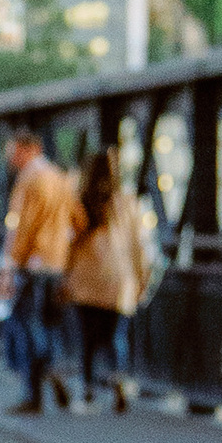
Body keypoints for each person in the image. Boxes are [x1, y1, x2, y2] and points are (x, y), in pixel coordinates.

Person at [64, 146, 152, 407]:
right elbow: (139, 246)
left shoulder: (79, 200)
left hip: (85, 278)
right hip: (119, 278)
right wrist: (142, 279)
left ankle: (88, 386)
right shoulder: (128, 202)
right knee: (117, 336)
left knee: (87, 337)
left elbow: (69, 243)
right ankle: (118, 380)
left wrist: (65, 276)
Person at [0, 127, 79, 413]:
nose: (8, 157)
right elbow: (78, 220)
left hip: (33, 263)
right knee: (49, 322)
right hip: (56, 263)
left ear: (26, 149)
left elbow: (23, 225)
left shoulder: (29, 178)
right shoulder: (59, 177)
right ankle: (54, 364)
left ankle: (36, 388)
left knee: (26, 324)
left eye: (11, 151)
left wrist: (12, 263)